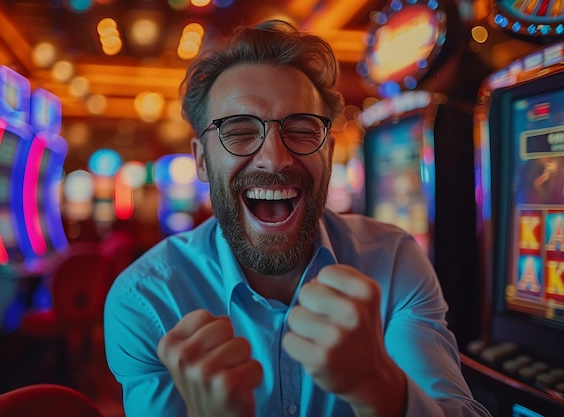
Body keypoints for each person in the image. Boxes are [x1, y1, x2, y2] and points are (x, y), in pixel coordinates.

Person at [104, 20, 492, 417]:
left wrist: (381, 388)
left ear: (328, 150)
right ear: (202, 160)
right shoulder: (147, 300)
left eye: (303, 130)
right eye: (238, 131)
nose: (275, 158)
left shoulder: (393, 261)